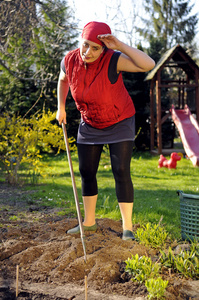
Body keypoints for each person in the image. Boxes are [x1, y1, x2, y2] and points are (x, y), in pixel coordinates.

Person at [56, 21, 155, 240]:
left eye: (95, 47)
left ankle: (127, 227)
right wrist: (60, 107)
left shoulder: (113, 59)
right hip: (90, 122)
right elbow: (63, 81)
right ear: (80, 42)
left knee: (120, 171)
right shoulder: (70, 60)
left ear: (104, 49)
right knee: (87, 171)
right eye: (85, 45)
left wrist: (119, 45)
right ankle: (89, 222)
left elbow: (147, 64)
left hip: (119, 120)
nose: (88, 52)